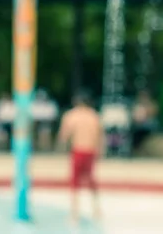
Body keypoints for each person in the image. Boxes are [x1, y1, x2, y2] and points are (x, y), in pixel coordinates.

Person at [57, 90, 103, 224]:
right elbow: (100, 137)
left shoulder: (72, 115)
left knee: (75, 182)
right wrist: (100, 152)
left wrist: (61, 149)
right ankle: (96, 209)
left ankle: (74, 213)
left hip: (78, 151)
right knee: (91, 180)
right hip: (91, 151)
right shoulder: (94, 116)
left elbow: (64, 136)